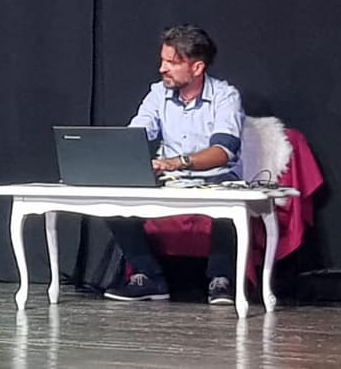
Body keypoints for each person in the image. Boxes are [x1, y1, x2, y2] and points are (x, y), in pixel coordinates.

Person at [103, 24, 245, 306]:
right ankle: (149, 276)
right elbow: (135, 135)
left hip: (216, 178)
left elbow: (223, 152)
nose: (162, 68)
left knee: (229, 200)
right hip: (170, 181)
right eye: (162, 60)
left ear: (197, 68)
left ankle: (221, 279)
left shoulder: (225, 96)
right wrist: (120, 154)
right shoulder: (158, 94)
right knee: (112, 201)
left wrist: (176, 163)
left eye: (172, 62)